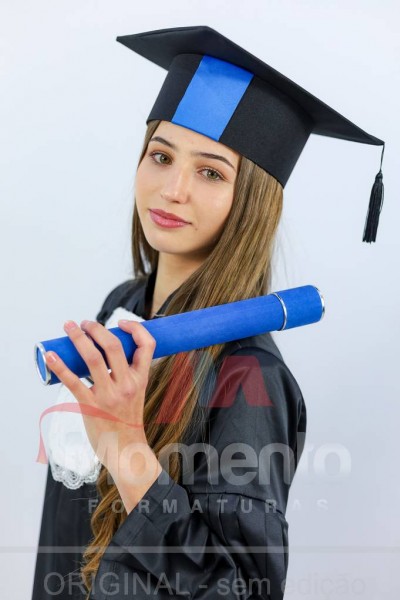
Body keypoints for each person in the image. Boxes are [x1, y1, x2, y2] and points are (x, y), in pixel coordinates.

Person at [32, 25, 384, 600]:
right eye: (161, 155)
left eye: (211, 172)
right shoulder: (123, 308)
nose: (172, 189)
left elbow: (242, 591)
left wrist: (128, 452)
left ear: (251, 202)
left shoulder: (248, 377)